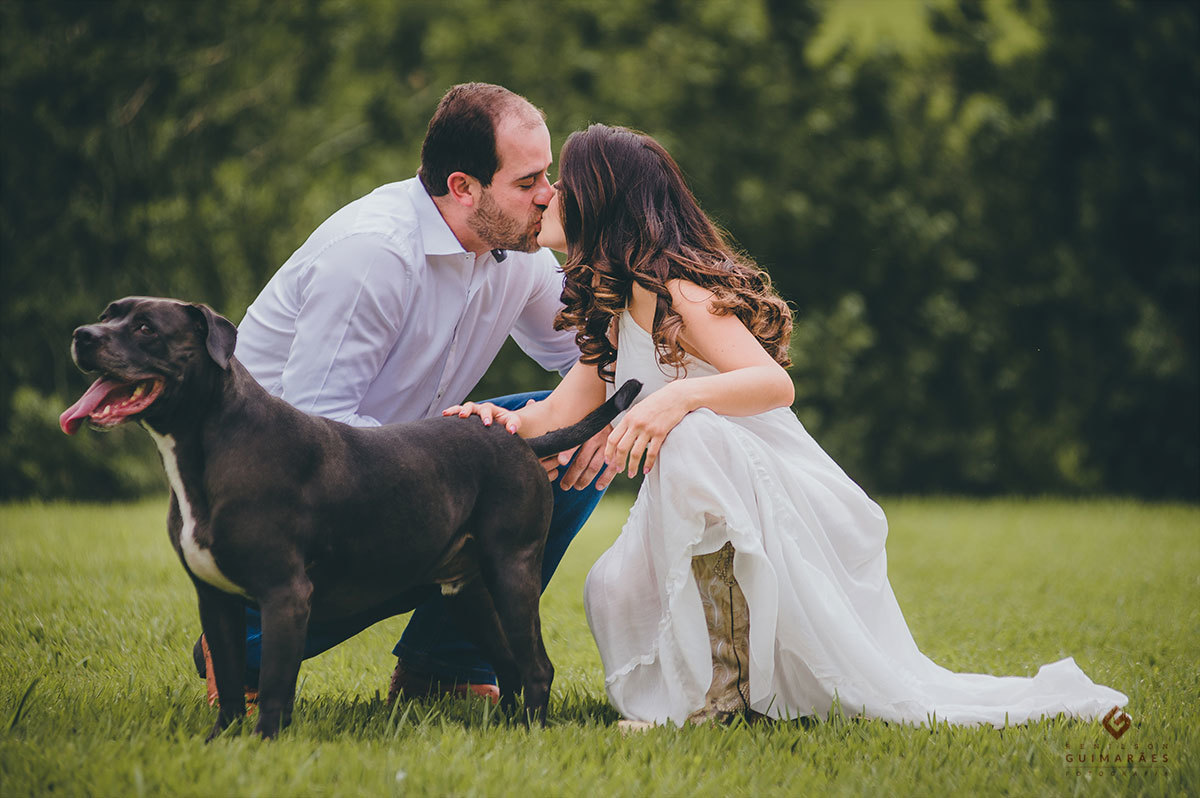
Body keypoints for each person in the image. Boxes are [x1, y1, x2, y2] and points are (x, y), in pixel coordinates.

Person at [446, 123, 1129, 727]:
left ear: (605, 199)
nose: (549, 195)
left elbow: (775, 385)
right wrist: (489, 423)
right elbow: (553, 417)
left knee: (696, 435)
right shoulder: (617, 307)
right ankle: (710, 682)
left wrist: (674, 401)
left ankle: (726, 695)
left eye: (565, 182)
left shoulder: (680, 292)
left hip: (774, 494)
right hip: (704, 497)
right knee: (610, 588)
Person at [193, 83, 616, 707]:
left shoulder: (515, 249)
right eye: (528, 181)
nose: (548, 195)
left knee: (571, 431)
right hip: (280, 501)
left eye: (546, 174)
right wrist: (451, 482)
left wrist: (609, 413)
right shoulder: (373, 255)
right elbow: (316, 435)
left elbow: (590, 358)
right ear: (463, 187)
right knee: (494, 457)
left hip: (386, 472)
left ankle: (443, 668)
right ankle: (243, 645)